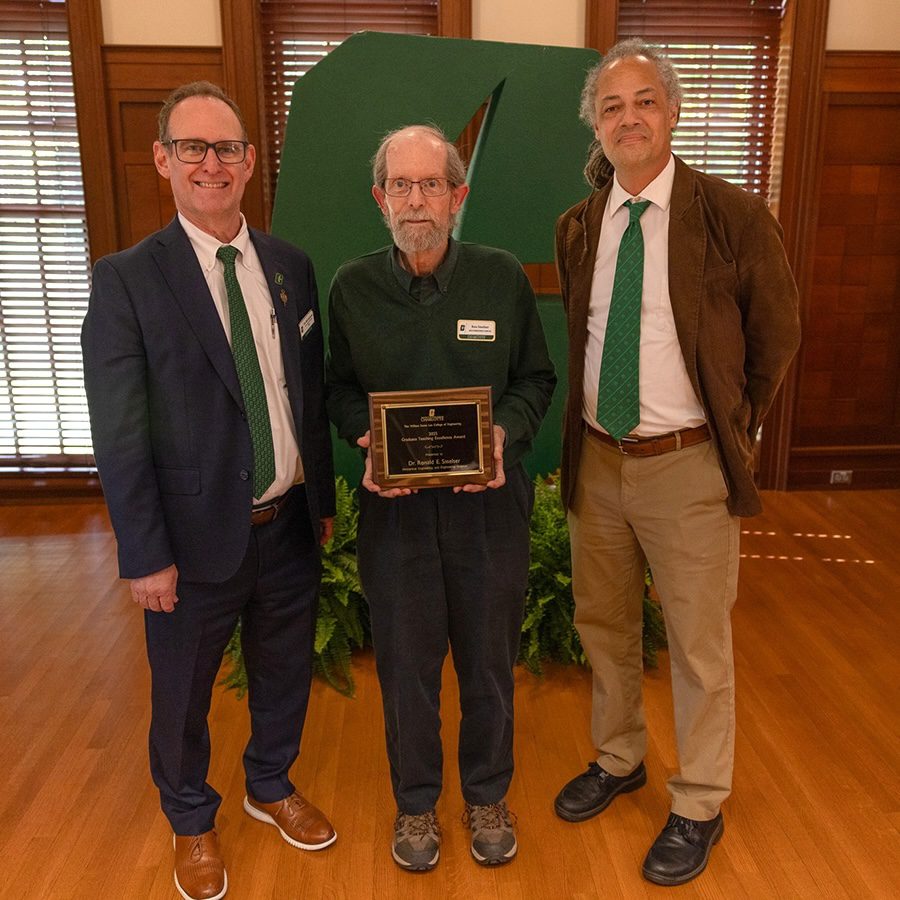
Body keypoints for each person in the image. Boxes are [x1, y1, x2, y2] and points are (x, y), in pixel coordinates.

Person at [553, 39, 800, 886]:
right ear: (597, 121)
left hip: (687, 466)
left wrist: (738, 422)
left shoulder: (733, 216)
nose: (629, 118)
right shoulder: (580, 224)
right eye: (613, 106)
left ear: (673, 111)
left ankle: (698, 801)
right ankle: (619, 757)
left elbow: (777, 334)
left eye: (644, 101)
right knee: (606, 626)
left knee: (698, 648)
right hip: (596, 461)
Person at [81, 81, 337, 900]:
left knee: (284, 669)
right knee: (184, 695)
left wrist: (322, 502)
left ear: (250, 161)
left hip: (289, 523)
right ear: (163, 160)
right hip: (190, 545)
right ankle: (191, 818)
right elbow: (120, 435)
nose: (212, 163)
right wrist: (144, 554)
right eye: (192, 147)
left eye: (227, 148)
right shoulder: (126, 281)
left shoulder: (291, 268)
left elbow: (309, 391)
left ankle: (270, 783)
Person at [326, 125, 555, 872]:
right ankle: (417, 805)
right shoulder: (351, 288)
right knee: (406, 668)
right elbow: (336, 389)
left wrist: (503, 440)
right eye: (401, 185)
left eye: (431, 185)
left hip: (488, 508)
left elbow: (534, 381)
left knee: (489, 662)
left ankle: (486, 792)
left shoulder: (500, 279)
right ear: (378, 198)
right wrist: (366, 437)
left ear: (458, 197)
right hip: (395, 515)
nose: (415, 200)